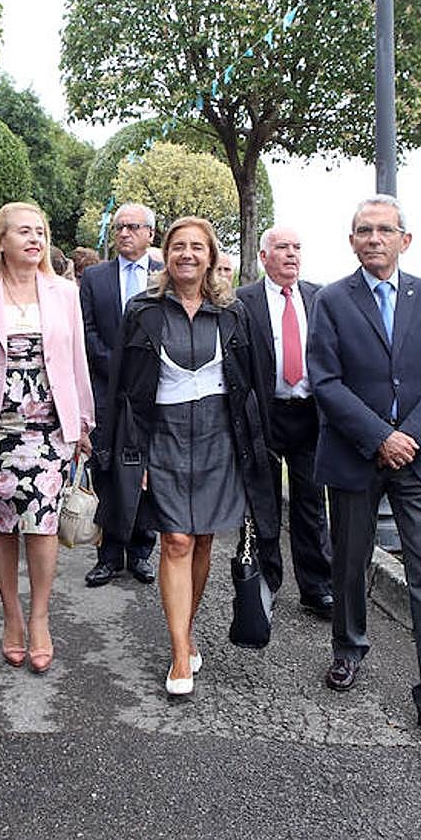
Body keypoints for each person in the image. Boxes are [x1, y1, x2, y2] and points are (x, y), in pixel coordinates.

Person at [307, 194, 421, 734]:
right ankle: (349, 649)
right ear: (352, 240)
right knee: (350, 561)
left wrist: (409, 437)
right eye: (364, 230)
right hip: (356, 455)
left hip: (419, 459)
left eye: (384, 230)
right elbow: (325, 381)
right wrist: (380, 437)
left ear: (405, 240)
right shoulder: (333, 301)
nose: (374, 239)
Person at [95, 216, 276, 696]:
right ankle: (179, 652)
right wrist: (124, 453)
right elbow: (122, 391)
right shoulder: (142, 311)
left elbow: (257, 384)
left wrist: (257, 452)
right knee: (175, 540)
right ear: (165, 255)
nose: (187, 255)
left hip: (221, 438)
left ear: (212, 257)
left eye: (198, 247)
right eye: (178, 247)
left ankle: (187, 626)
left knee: (201, 542)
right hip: (164, 437)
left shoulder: (235, 313)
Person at [0, 203, 94, 674]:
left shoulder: (64, 292)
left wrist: (84, 422)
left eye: (40, 231)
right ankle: (11, 616)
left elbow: (78, 358)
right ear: (0, 240)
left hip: (50, 423)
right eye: (24, 231)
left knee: (42, 525)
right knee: (1, 525)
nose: (35, 239)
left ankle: (40, 617)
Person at [236, 227, 333, 619]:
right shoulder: (244, 302)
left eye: (296, 247)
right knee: (264, 503)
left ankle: (317, 587)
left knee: (312, 504)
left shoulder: (319, 298)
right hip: (265, 414)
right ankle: (267, 581)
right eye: (282, 248)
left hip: (309, 414)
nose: (291, 254)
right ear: (263, 257)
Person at [78, 203, 164, 587]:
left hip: (153, 391)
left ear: (150, 233)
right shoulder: (95, 277)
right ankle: (109, 554)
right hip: (105, 390)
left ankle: (142, 551)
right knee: (107, 469)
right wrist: (115, 366)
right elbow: (87, 329)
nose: (124, 233)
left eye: (133, 227)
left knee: (149, 471)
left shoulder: (164, 277)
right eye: (119, 228)